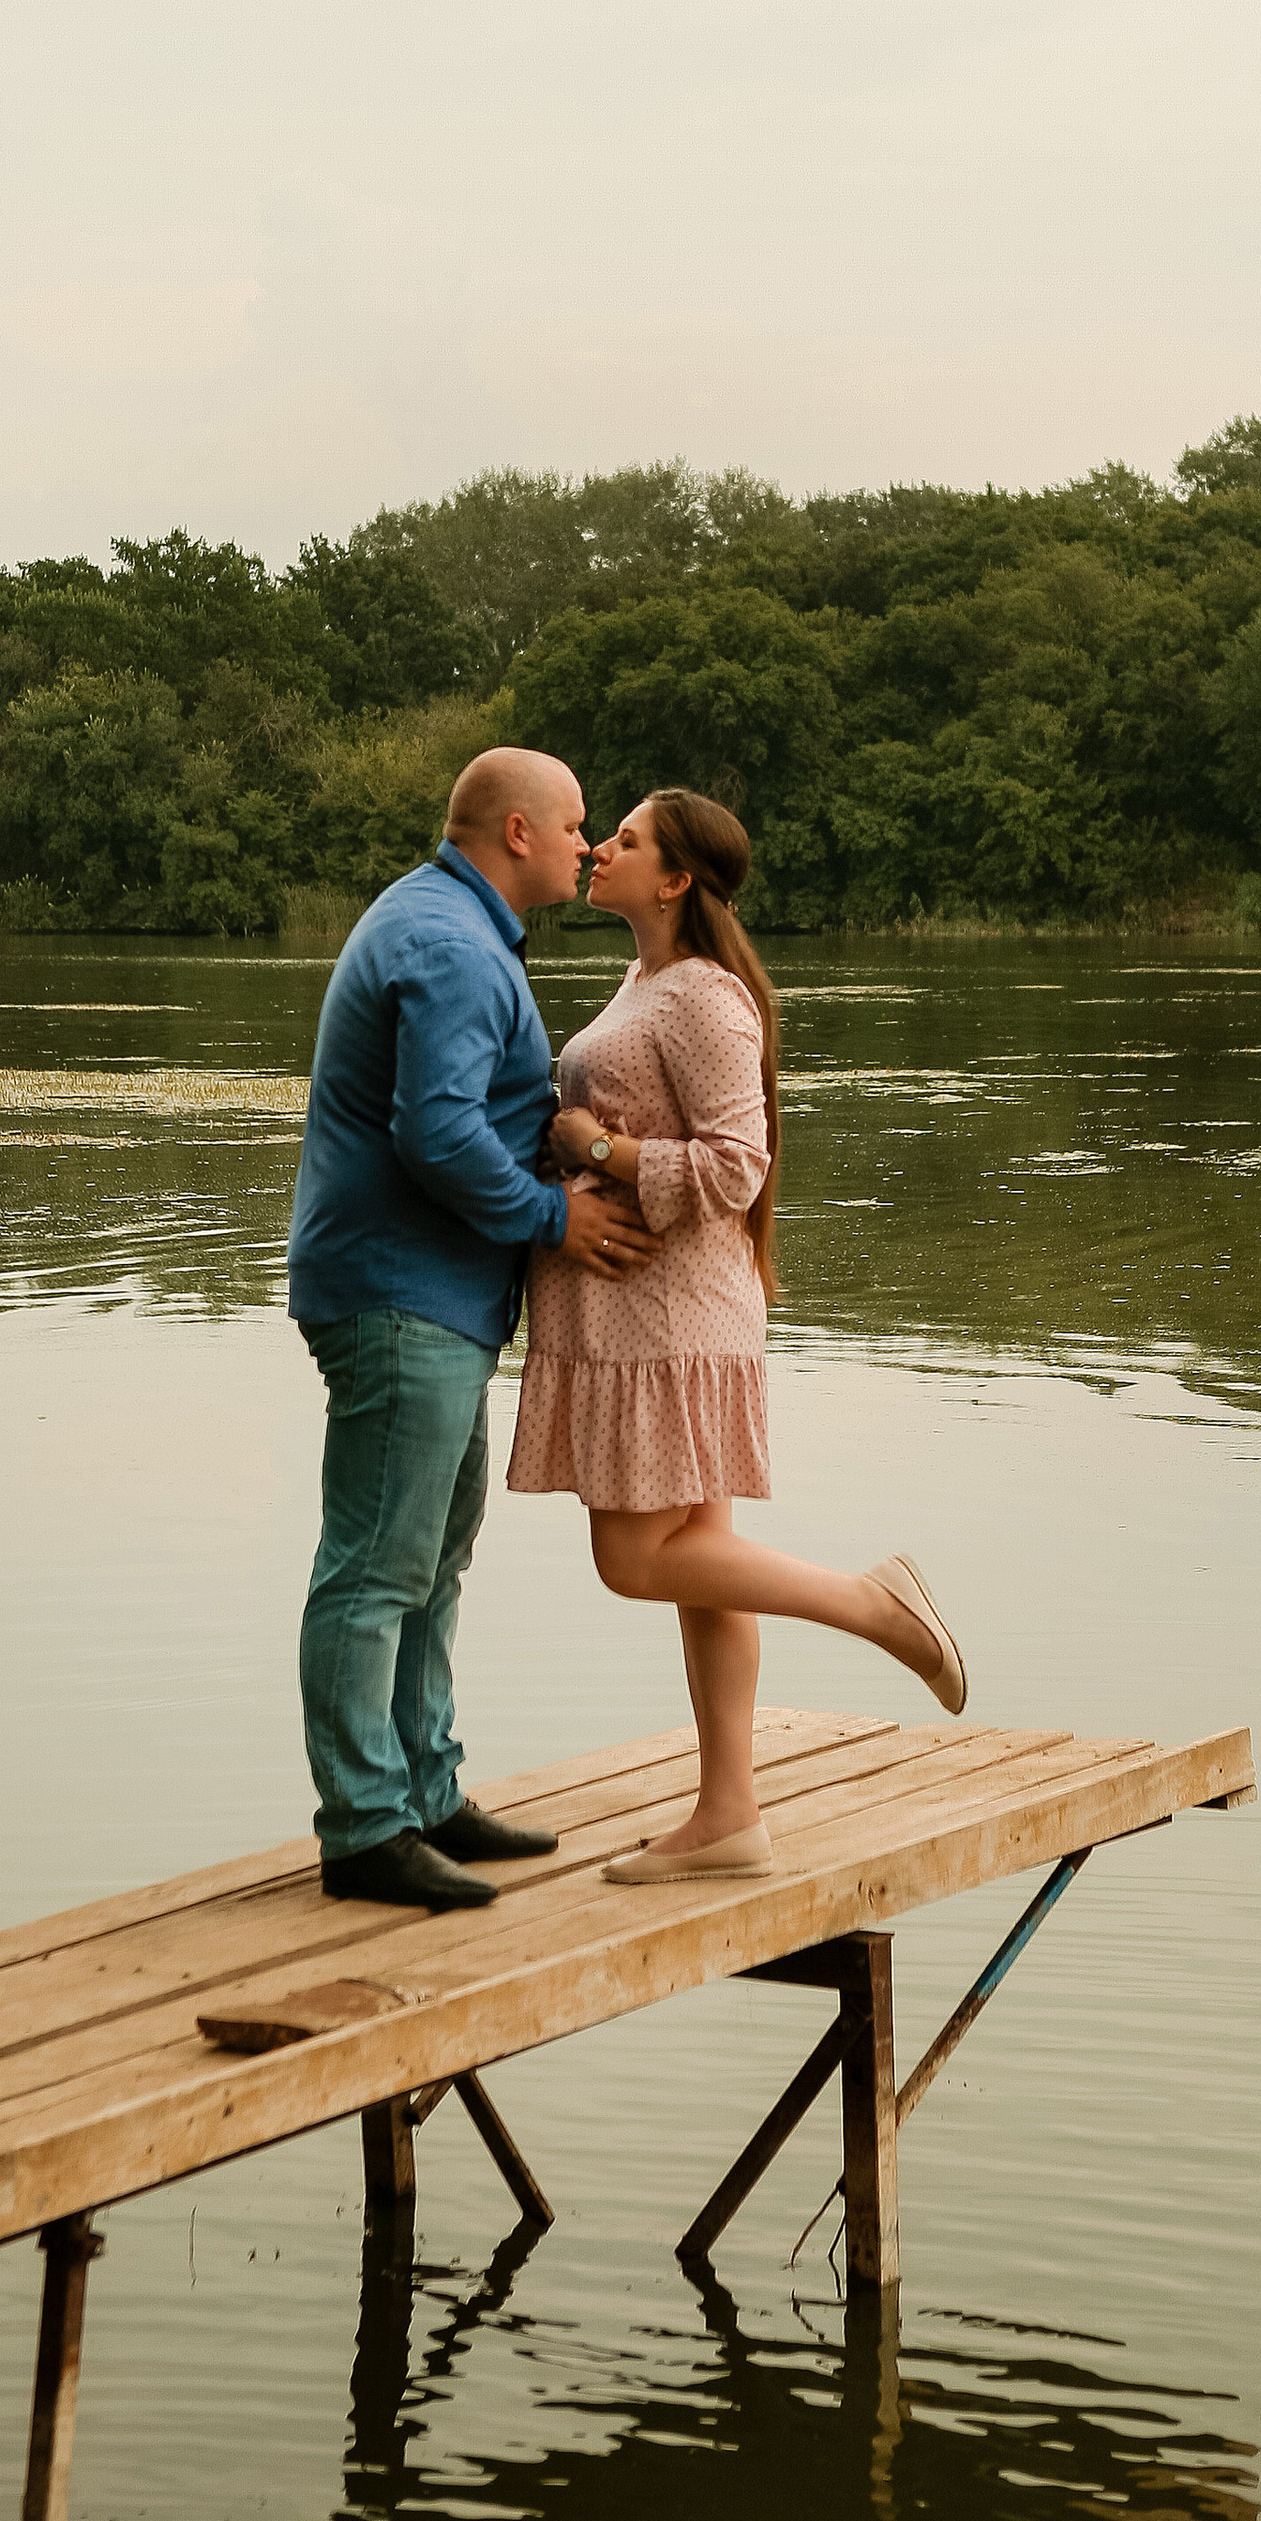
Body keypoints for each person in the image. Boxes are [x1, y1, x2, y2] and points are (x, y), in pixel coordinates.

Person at [508, 785, 968, 1879]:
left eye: (623, 840)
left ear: (673, 879)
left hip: (670, 1318)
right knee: (700, 1569)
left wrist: (599, 1152)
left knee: (632, 1559)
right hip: (647, 1311)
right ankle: (730, 1817)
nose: (599, 850)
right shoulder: (645, 979)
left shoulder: (706, 999)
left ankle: (876, 1606)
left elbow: (735, 1166)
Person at [286, 747, 659, 1911]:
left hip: (432, 1296)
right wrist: (554, 1218)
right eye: (577, 826)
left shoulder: (454, 922)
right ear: (516, 832)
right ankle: (363, 1831)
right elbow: (438, 1135)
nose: (589, 845)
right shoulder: (448, 944)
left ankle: (426, 1794)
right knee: (377, 1566)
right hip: (400, 1294)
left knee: (434, 1553)